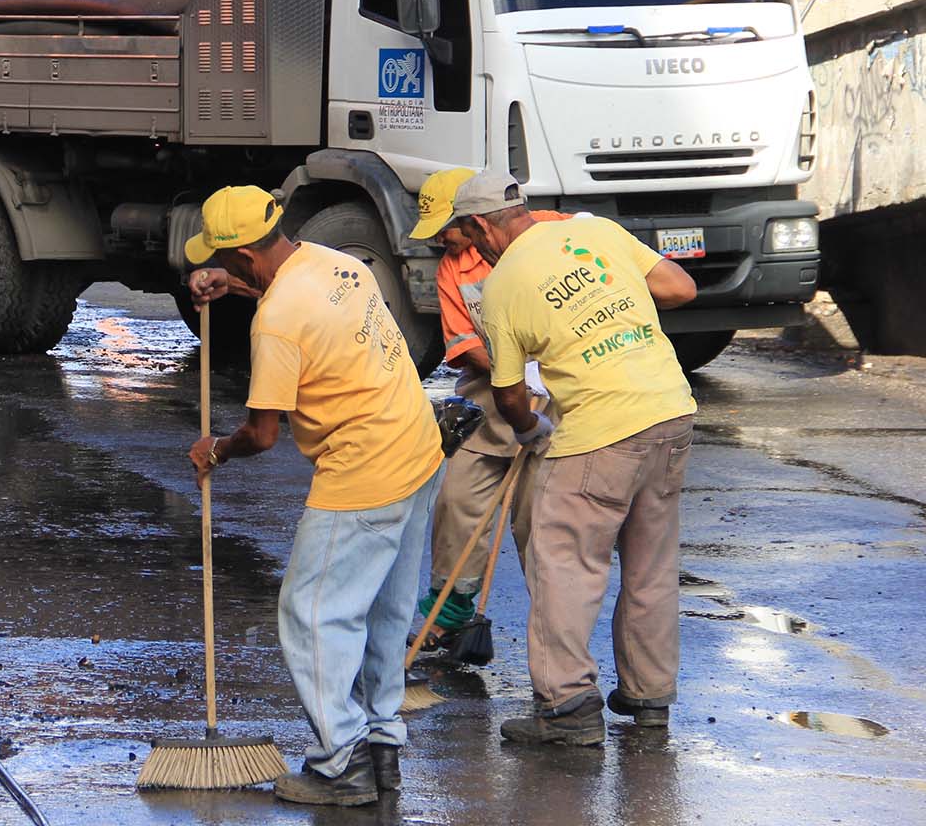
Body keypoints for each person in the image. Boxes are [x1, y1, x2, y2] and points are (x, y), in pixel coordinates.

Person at [184, 187, 444, 806]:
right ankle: (382, 746)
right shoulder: (337, 264)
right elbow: (296, 299)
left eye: (226, 257)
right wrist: (232, 283)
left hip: (364, 471)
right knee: (384, 610)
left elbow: (263, 433)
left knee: (312, 612)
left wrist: (215, 450)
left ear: (246, 254)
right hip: (418, 447)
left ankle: (339, 763)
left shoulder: (275, 324)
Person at [456, 169, 698, 746]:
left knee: (563, 565)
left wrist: (527, 427)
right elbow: (678, 288)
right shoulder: (598, 233)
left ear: (480, 227)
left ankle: (566, 710)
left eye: (467, 236)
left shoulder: (502, 286)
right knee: (650, 565)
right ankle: (648, 698)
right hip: (670, 409)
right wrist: (613, 308)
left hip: (599, 430)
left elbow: (510, 392)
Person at [407, 168, 569, 651]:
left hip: (556, 395)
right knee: (457, 500)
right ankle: (449, 613)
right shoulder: (451, 269)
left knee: (533, 519)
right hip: (490, 392)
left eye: (447, 228)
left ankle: (555, 630)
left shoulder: (548, 230)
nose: (440, 239)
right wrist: (513, 376)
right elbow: (465, 345)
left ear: (475, 219)